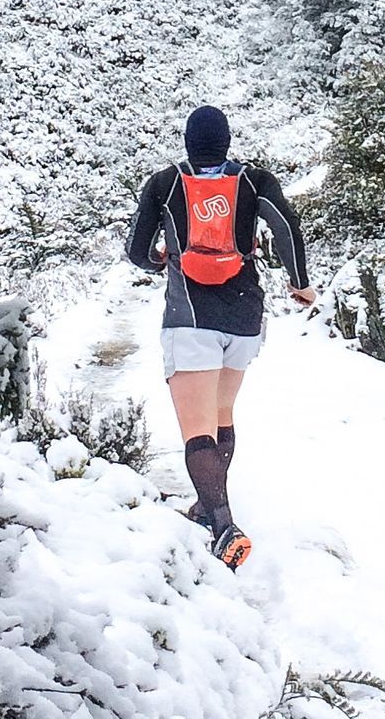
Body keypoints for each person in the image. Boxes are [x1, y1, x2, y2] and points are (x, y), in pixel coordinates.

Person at [123, 105, 314, 570]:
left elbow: (135, 250)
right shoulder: (254, 181)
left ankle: (223, 525)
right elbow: (287, 226)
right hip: (244, 316)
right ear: (227, 141)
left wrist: (160, 262)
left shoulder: (165, 184)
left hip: (189, 316)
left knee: (196, 429)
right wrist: (299, 281)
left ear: (188, 141)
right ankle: (206, 507)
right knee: (222, 414)